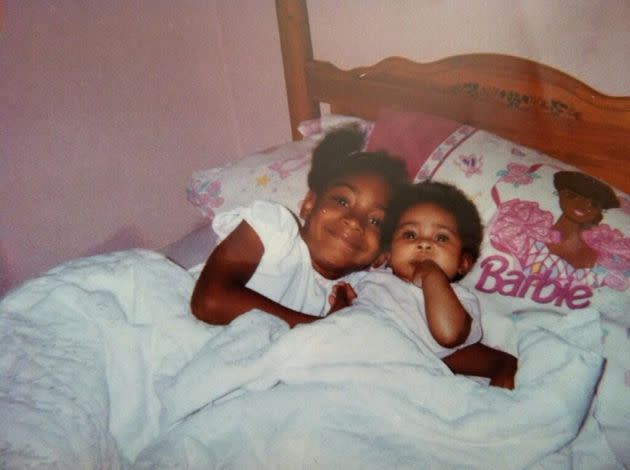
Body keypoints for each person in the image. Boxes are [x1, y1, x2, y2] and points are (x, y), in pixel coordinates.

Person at [190, 127, 409, 327]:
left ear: (382, 255)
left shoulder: (356, 293)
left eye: (376, 221)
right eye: (342, 201)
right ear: (309, 204)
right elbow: (210, 300)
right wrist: (322, 328)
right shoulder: (274, 229)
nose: (354, 221)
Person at [331, 181, 517, 388]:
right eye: (410, 234)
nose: (424, 244)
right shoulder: (368, 281)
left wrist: (431, 274)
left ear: (463, 263)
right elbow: (333, 332)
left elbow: (448, 335)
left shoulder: (459, 300)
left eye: (441, 238)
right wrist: (341, 302)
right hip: (355, 371)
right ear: (388, 253)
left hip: (411, 385)